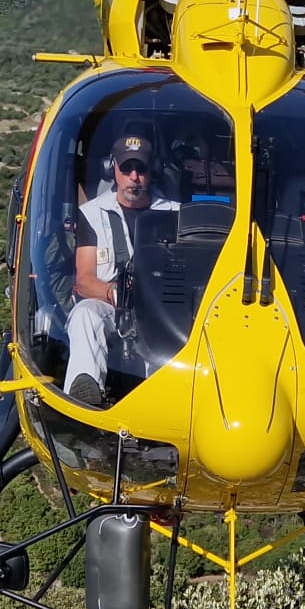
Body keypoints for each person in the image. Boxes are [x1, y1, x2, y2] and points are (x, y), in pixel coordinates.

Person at [65, 133, 179, 406]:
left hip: (161, 309)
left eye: (140, 168)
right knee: (84, 314)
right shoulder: (92, 215)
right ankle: (84, 392)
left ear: (151, 172)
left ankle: (162, 402)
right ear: (113, 169)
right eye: (126, 168)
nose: (134, 176)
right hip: (113, 305)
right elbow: (85, 280)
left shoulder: (175, 214)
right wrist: (116, 294)